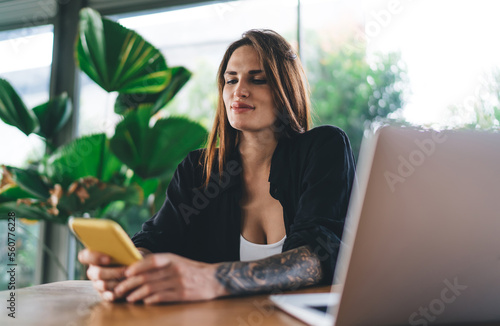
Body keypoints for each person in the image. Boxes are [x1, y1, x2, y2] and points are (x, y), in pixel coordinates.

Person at [78, 29, 355, 304]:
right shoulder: (197, 169)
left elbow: (318, 255)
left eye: (258, 80)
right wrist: (127, 266)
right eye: (230, 80)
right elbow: (157, 238)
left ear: (286, 89)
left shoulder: (323, 148)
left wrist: (214, 279)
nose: (239, 91)